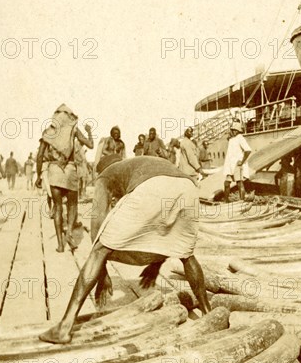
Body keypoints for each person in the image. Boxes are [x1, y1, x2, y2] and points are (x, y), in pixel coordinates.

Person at [38, 155, 212, 344]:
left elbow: (97, 222)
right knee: (186, 254)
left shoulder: (106, 175)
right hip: (188, 188)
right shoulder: (139, 164)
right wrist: (155, 264)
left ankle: (64, 326)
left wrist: (102, 271)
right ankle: (207, 311)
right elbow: (162, 229)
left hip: (153, 187)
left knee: (98, 250)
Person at [35, 105, 94, 252]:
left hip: (54, 171)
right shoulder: (73, 130)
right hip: (70, 171)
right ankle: (69, 233)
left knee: (58, 208)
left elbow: (40, 156)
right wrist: (89, 131)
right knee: (73, 205)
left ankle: (60, 245)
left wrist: (38, 176)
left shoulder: (48, 132)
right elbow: (91, 145)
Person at [223, 121, 251, 202]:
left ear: (238, 131)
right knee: (226, 183)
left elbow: (248, 150)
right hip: (230, 165)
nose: (234, 131)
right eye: (233, 130)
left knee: (239, 183)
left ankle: (242, 201)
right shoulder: (232, 139)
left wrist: (242, 162)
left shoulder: (240, 138)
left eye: (235, 130)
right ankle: (226, 200)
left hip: (236, 164)